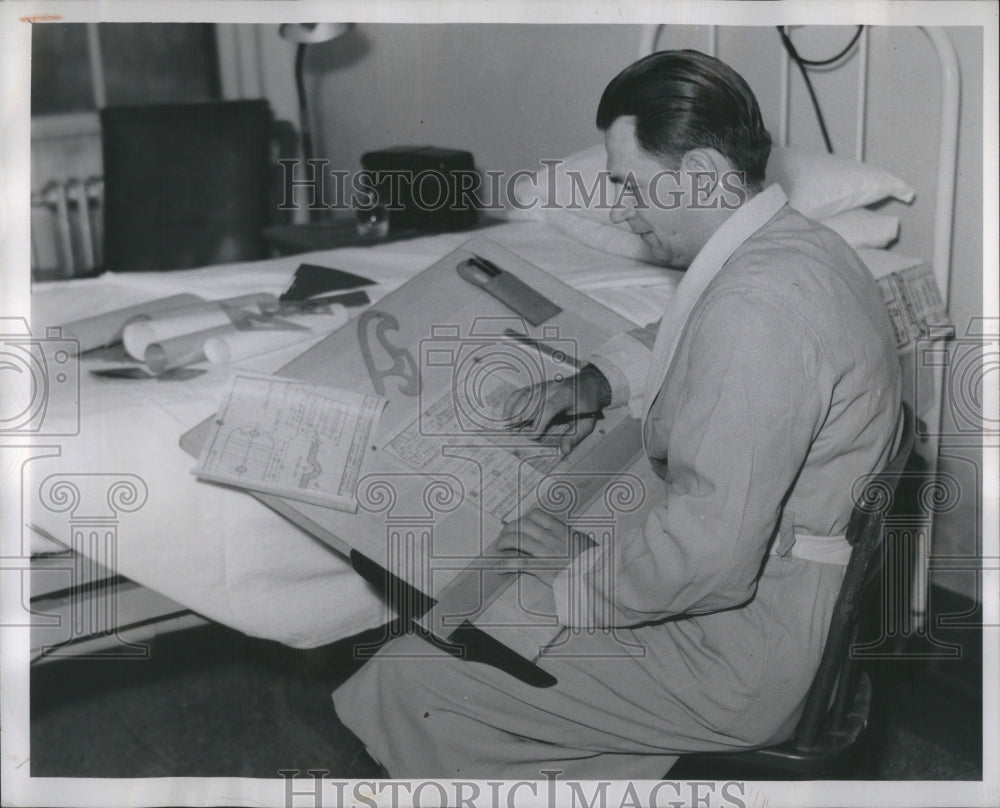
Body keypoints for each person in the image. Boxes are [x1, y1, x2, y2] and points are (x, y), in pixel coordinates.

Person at [332, 49, 902, 780]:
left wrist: (577, 578)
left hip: (738, 654)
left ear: (700, 172)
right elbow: (692, 334)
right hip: (784, 601)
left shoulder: (760, 308)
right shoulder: (794, 247)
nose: (621, 208)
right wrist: (596, 383)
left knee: (415, 674)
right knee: (535, 543)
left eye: (631, 185)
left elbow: (711, 558)